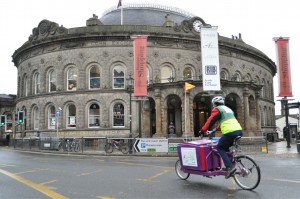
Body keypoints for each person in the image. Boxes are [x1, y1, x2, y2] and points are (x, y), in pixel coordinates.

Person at [200, 96, 243, 179]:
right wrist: (215, 129)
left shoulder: (217, 109)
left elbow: (211, 120)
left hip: (230, 132)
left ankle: (229, 167)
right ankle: (231, 164)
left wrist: (202, 130)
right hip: (239, 131)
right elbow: (226, 122)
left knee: (220, 147)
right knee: (226, 147)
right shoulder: (228, 109)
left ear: (215, 104)